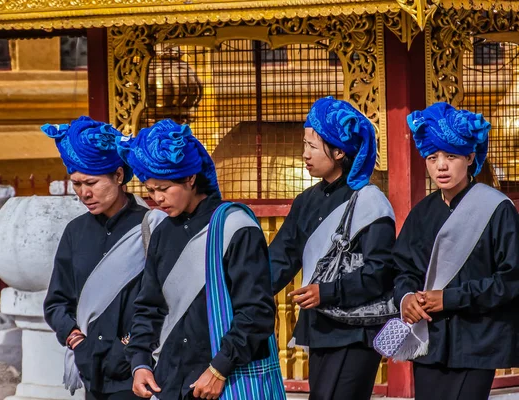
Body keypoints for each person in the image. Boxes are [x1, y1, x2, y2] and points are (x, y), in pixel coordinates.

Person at [119, 119, 285, 400]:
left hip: (223, 381)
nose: (156, 198)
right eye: (149, 190)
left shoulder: (235, 226)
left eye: (164, 188)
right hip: (170, 381)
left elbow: (256, 312)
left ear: (190, 178)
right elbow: (149, 306)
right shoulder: (162, 233)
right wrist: (140, 363)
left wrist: (219, 368)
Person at [270, 97, 397, 400]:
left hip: (356, 331)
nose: (304, 155)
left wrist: (325, 292)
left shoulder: (370, 201)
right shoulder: (306, 201)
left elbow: (379, 272)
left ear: (339, 151)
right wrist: (242, 289)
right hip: (321, 327)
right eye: (305, 145)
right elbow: (281, 257)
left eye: (312, 147)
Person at [392, 102, 519, 400]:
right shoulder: (421, 213)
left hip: (477, 341)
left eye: (451, 156)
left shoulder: (497, 209)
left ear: (470, 157)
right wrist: (406, 297)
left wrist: (449, 298)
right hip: (430, 341)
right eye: (433, 157)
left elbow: (511, 279)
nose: (441, 166)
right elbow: (402, 269)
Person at [42, 116, 149, 400]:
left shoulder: (151, 228)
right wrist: (77, 341)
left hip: (139, 372)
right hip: (91, 369)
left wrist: (130, 348)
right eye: (76, 184)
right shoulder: (75, 232)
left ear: (118, 175)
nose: (84, 193)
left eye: (91, 182)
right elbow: (56, 302)